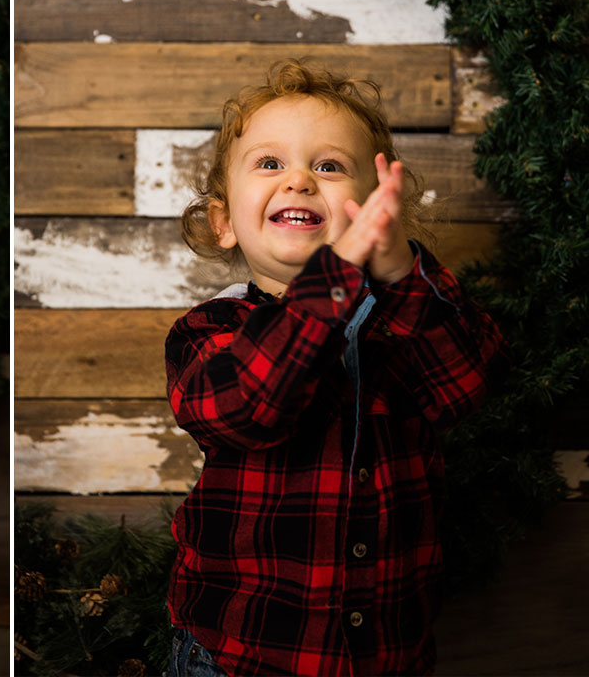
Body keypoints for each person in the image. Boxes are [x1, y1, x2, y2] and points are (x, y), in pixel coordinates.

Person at [164, 60, 506, 676]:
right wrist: (335, 279)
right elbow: (244, 407)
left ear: (377, 210)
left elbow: (465, 388)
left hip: (388, 655)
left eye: (328, 166)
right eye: (270, 164)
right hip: (243, 654)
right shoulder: (211, 331)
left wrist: (399, 267)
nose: (299, 179)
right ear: (223, 223)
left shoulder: (405, 322)